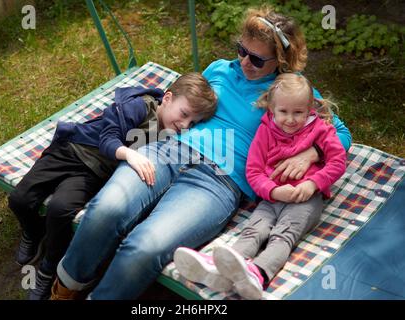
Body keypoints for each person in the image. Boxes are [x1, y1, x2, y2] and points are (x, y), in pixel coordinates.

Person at [50, 6, 352, 300]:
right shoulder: (219, 69)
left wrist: (308, 155)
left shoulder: (288, 92)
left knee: (146, 246)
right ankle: (65, 288)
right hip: (168, 151)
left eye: (258, 59)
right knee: (107, 209)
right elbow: (184, 99)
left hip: (218, 183)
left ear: (281, 61)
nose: (245, 62)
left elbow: (342, 134)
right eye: (241, 50)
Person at [7, 72, 217, 300]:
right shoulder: (139, 106)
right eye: (184, 114)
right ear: (167, 99)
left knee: (60, 209)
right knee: (20, 199)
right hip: (72, 149)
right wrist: (129, 154)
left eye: (193, 122)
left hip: (93, 174)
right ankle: (33, 231)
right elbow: (107, 138)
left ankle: (48, 269)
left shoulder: (172, 138)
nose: (185, 124)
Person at [174, 73, 347, 299]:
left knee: (283, 234)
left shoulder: (321, 130)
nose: (291, 119)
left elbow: (338, 161)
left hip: (305, 198)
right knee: (255, 229)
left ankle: (259, 272)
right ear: (272, 109)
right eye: (283, 112)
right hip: (272, 196)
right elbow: (253, 171)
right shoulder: (265, 130)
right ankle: (222, 268)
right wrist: (273, 191)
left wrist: (314, 184)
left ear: (309, 109)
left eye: (298, 112)